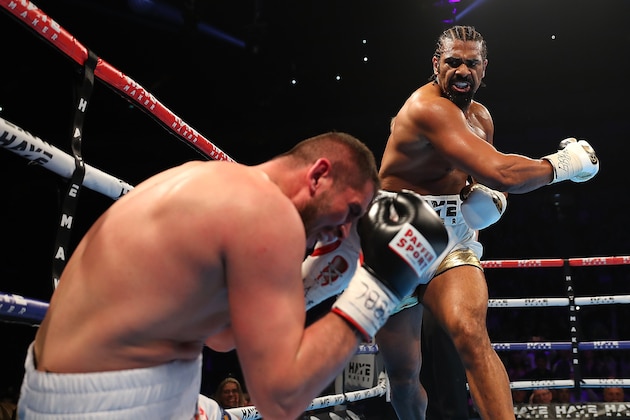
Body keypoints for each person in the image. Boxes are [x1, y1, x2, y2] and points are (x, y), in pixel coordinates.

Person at [17, 131, 451, 420]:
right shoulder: (268, 214)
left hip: (82, 390)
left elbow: (223, 335)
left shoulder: (222, 185)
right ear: (319, 174)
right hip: (106, 404)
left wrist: (325, 277)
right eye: (351, 211)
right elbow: (281, 399)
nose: (343, 230)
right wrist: (378, 288)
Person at [371, 25, 599, 419]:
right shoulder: (426, 108)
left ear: (484, 68)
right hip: (395, 237)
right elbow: (503, 172)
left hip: (450, 241)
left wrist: (493, 202)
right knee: (404, 378)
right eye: (453, 62)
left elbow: (490, 183)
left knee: (472, 335)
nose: (463, 71)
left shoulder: (480, 118)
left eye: (472, 63)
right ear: (436, 65)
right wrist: (564, 164)